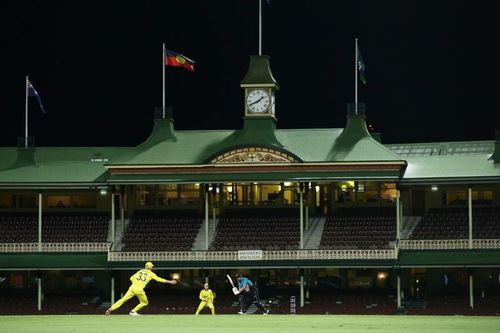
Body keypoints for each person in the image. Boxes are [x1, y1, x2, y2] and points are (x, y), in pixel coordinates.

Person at [105, 261, 177, 316]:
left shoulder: (139, 271)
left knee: (123, 299)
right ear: (150, 267)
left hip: (132, 287)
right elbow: (158, 279)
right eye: (152, 267)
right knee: (144, 302)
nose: (152, 268)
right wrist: (170, 282)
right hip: (139, 289)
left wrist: (136, 282)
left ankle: (111, 308)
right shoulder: (151, 273)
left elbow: (131, 278)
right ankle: (133, 311)